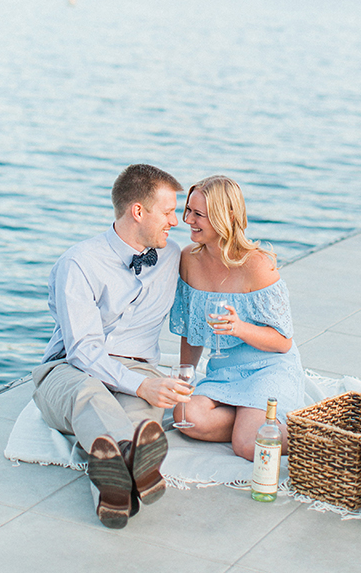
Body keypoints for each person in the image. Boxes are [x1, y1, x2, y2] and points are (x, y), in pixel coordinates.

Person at [32, 164, 190, 529]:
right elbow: (83, 352)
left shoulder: (172, 255)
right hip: (69, 368)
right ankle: (133, 463)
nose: (175, 221)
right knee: (90, 397)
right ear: (138, 211)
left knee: (140, 421)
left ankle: (115, 494)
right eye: (168, 212)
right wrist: (142, 385)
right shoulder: (78, 263)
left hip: (137, 365)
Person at [169, 175, 304, 460]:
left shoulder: (257, 265)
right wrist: (185, 378)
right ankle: (250, 420)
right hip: (224, 372)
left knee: (246, 446)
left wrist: (240, 328)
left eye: (198, 214)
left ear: (227, 217)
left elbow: (283, 342)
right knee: (185, 416)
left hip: (268, 368)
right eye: (188, 210)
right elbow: (191, 331)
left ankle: (318, 437)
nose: (188, 220)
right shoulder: (189, 259)